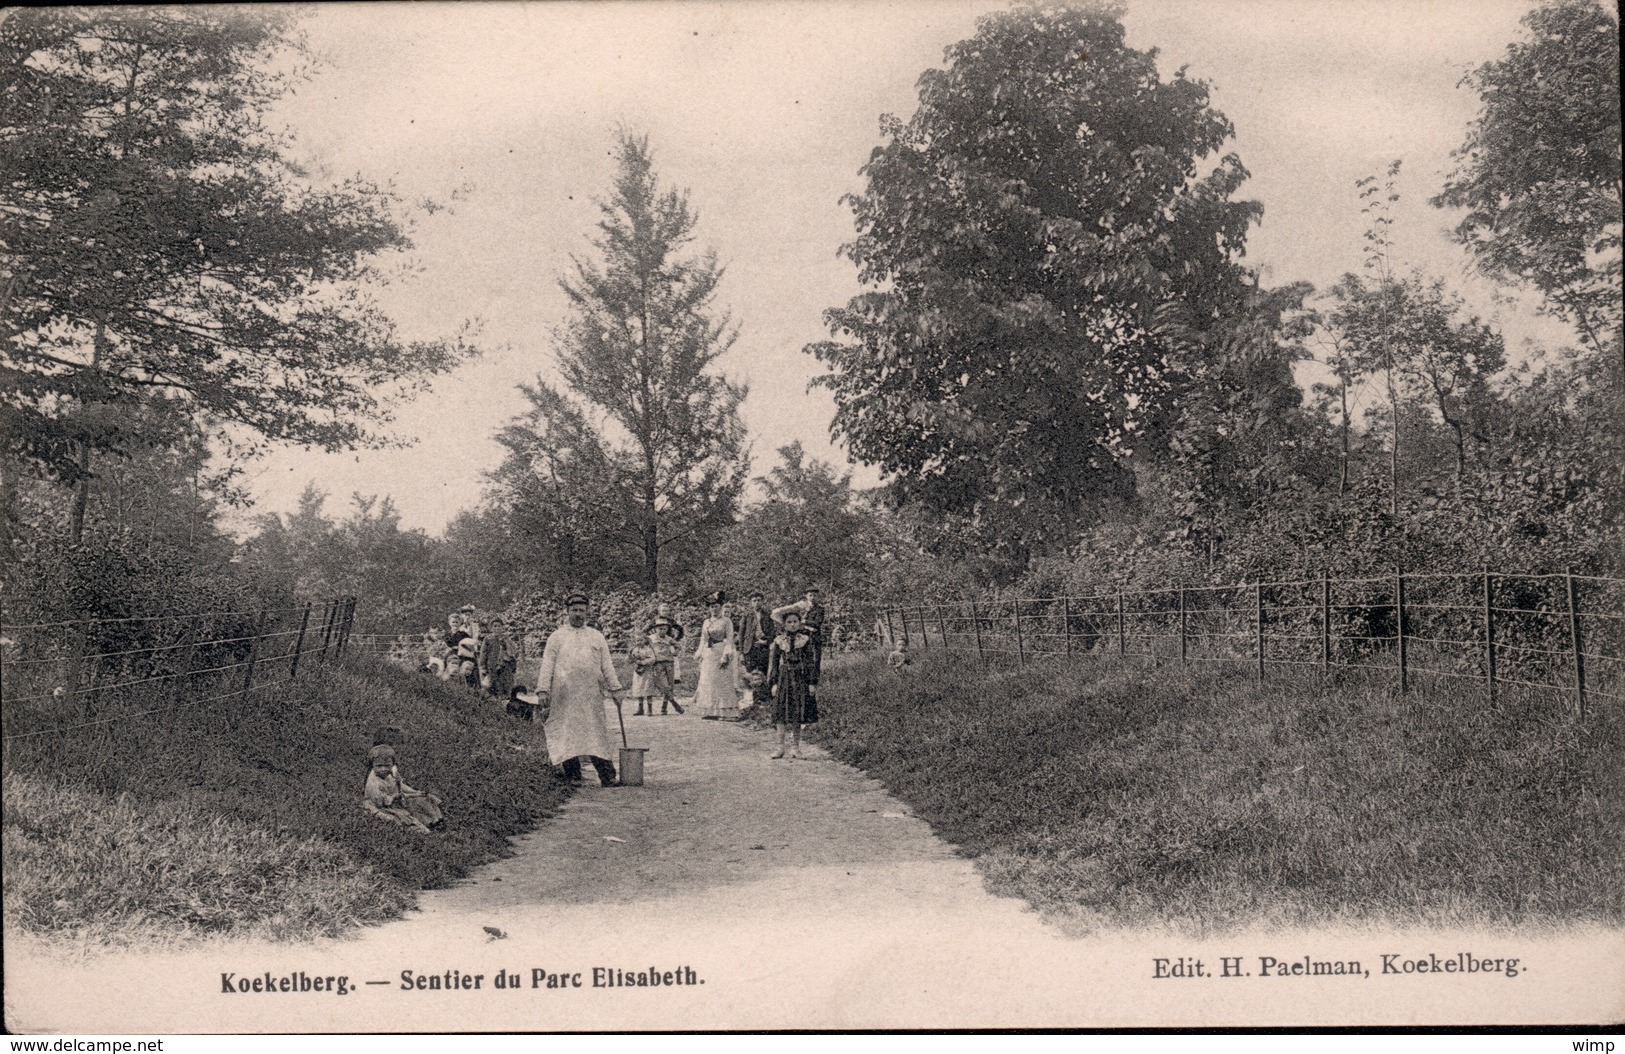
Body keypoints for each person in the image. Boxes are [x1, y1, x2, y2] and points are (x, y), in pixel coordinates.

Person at [535, 593, 623, 787]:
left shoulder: (596, 636)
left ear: (587, 612)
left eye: (581, 610)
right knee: (568, 732)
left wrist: (616, 688)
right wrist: (543, 690)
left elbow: (607, 665)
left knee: (595, 731)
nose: (577, 614)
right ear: (567, 612)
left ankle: (607, 776)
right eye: (574, 610)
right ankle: (573, 775)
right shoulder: (557, 637)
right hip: (564, 695)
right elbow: (547, 665)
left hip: (591, 695)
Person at [767, 609, 819, 759]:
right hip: (784, 677)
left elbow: (810, 663)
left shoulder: (805, 640)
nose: (792, 624)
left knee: (797, 711)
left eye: (795, 621)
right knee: (781, 713)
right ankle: (779, 747)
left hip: (800, 678)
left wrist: (811, 682)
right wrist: (774, 683)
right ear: (784, 624)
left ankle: (795, 747)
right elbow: (774, 663)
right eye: (789, 622)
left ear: (799, 623)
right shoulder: (779, 641)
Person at [362, 743, 443, 832]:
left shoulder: (392, 773)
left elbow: (400, 785)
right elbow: (381, 803)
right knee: (402, 818)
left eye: (387, 765)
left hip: (398, 799)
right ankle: (423, 828)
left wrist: (415, 792)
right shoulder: (375, 783)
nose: (383, 769)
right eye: (379, 766)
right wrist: (398, 797)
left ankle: (435, 821)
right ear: (372, 766)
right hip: (385, 806)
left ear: (392, 764)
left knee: (422, 800)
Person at [693, 591, 740, 720]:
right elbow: (703, 639)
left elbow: (730, 640)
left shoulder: (726, 621)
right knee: (708, 681)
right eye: (711, 606)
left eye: (716, 606)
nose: (714, 609)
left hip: (721, 650)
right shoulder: (706, 622)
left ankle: (725, 712)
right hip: (709, 652)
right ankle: (710, 711)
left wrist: (726, 655)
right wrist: (699, 652)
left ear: (721, 607)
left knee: (722, 682)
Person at [773, 586, 827, 682]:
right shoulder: (801, 607)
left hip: (814, 637)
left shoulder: (820, 609)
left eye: (815, 595)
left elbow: (817, 623)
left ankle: (814, 680)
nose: (813, 597)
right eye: (810, 595)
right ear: (806, 596)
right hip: (803, 635)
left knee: (815, 658)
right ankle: (801, 676)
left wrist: (804, 621)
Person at [628, 624, 664, 717]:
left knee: (647, 690)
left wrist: (643, 662)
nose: (639, 642)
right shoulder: (634, 649)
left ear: (645, 640)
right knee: (638, 689)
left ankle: (649, 709)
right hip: (638, 673)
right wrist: (631, 657)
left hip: (647, 672)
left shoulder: (648, 649)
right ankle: (640, 708)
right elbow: (629, 661)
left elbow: (653, 659)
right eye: (637, 640)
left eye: (641, 640)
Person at [737, 591, 774, 681]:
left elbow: (773, 633)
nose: (756, 603)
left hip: (763, 649)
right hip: (749, 649)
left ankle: (761, 694)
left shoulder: (768, 615)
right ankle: (750, 694)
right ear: (751, 603)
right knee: (750, 675)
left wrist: (766, 641)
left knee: (762, 675)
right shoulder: (746, 615)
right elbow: (741, 635)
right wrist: (741, 653)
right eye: (754, 601)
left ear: (762, 601)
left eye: (758, 600)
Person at [478, 616, 517, 699]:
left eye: (499, 626)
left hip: (505, 664)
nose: (497, 628)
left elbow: (512, 651)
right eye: (495, 626)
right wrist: (483, 666)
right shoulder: (488, 639)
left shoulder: (506, 638)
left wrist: (505, 642)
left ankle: (505, 697)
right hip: (492, 664)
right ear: (491, 628)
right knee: (493, 682)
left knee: (505, 680)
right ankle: (495, 698)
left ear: (502, 627)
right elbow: (483, 653)